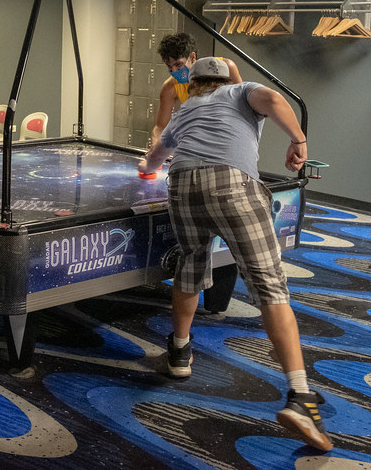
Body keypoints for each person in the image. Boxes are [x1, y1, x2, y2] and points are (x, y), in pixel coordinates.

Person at [139, 57, 332, 452]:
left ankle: (179, 353)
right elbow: (274, 98)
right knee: (268, 284)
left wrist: (145, 170)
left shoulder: (186, 108)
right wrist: (299, 141)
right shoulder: (240, 91)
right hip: (232, 185)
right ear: (226, 79)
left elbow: (157, 156)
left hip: (183, 187)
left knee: (191, 265)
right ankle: (300, 398)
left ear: (193, 84)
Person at [151, 32, 242, 315]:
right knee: (195, 251)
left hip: (225, 158)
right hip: (188, 159)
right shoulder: (170, 88)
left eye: (179, 65)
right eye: (170, 68)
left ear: (193, 57)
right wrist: (156, 148)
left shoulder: (224, 68)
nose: (176, 72)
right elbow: (160, 126)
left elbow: (243, 107)